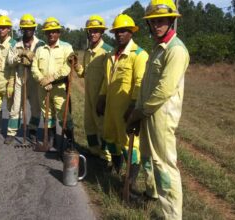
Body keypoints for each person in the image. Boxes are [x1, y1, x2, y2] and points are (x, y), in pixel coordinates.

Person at [127, 0, 190, 219]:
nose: (156, 26)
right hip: (147, 112)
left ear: (171, 20)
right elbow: (146, 85)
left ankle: (171, 214)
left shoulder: (176, 50)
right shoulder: (157, 49)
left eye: (161, 21)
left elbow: (163, 90)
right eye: (153, 22)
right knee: (147, 158)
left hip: (161, 116)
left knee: (164, 166)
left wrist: (140, 112)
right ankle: (151, 193)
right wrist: (138, 110)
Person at [97, 14, 148, 185]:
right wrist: (102, 97)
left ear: (131, 32)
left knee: (128, 144)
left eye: (124, 31)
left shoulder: (139, 55)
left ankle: (130, 178)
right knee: (110, 138)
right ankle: (117, 168)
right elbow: (106, 79)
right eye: (117, 31)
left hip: (126, 109)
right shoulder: (111, 55)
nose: (120, 34)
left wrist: (133, 106)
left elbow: (140, 83)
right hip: (111, 107)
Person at [73, 15, 113, 162]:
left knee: (102, 127)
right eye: (90, 31)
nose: (93, 34)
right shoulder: (88, 51)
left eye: (96, 31)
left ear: (102, 32)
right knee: (89, 124)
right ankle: (94, 151)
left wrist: (102, 98)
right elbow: (84, 73)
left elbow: (109, 77)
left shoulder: (108, 51)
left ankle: (107, 157)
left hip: (101, 97)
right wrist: (76, 65)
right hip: (89, 95)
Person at [31, 17, 74, 151]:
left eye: (54, 31)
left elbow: (67, 67)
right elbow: (34, 67)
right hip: (43, 87)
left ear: (59, 33)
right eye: (48, 32)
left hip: (60, 87)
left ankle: (70, 142)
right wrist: (41, 80)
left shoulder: (66, 47)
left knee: (64, 115)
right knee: (48, 115)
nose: (51, 34)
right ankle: (51, 140)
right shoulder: (40, 49)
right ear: (45, 33)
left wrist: (52, 79)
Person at [5, 14, 45, 144]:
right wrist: (20, 56)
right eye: (25, 28)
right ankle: (11, 133)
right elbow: (10, 61)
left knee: (35, 107)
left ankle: (32, 130)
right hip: (20, 79)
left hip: (34, 80)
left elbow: (43, 63)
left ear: (34, 29)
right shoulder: (15, 44)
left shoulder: (40, 44)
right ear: (21, 29)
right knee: (16, 108)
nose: (28, 30)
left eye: (31, 28)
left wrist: (32, 59)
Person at [0, 15, 16, 135]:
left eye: (4, 28)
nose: (1, 30)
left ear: (9, 29)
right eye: (0, 27)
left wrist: (11, 83)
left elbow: (14, 67)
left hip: (8, 81)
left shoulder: (13, 44)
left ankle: (12, 131)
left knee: (12, 107)